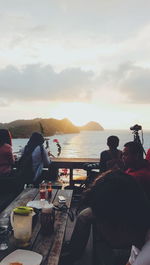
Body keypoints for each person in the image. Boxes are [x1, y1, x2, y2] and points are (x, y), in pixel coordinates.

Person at [62, 170, 150, 265]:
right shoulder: (138, 235)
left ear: (121, 226)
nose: (99, 229)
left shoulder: (145, 260)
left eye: (99, 222)